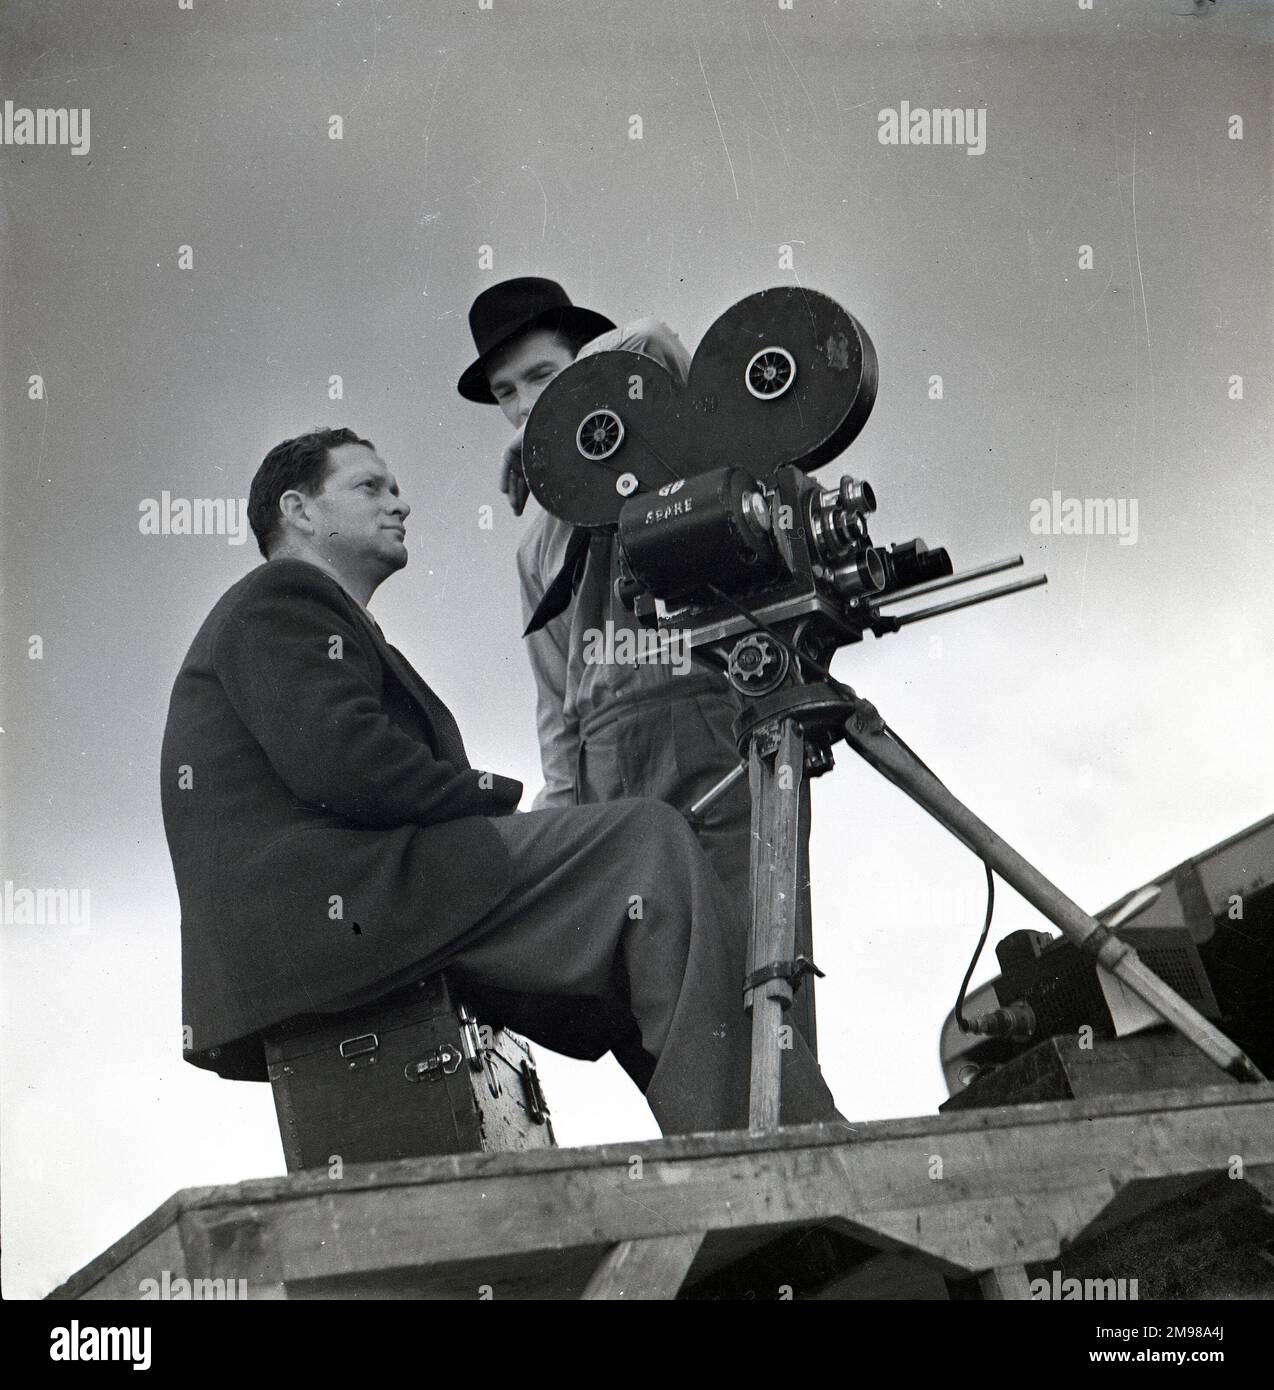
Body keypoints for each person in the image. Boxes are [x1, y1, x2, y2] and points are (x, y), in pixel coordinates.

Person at [160, 427, 843, 1136]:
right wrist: (498, 799)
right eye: (370, 487)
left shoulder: (310, 616)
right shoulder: (283, 596)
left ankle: (751, 1139)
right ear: (298, 511)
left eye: (394, 488)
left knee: (624, 928)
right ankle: (773, 1146)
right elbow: (345, 764)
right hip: (339, 905)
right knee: (646, 845)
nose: (400, 504)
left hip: (350, 907)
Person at [458, 279, 753, 916]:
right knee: (643, 967)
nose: (523, 405)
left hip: (698, 710)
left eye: (542, 375)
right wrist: (557, 829)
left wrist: (562, 413)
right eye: (507, 393)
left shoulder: (671, 457)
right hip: (602, 755)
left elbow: (652, 338)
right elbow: (553, 703)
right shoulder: (534, 543)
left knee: (749, 934)